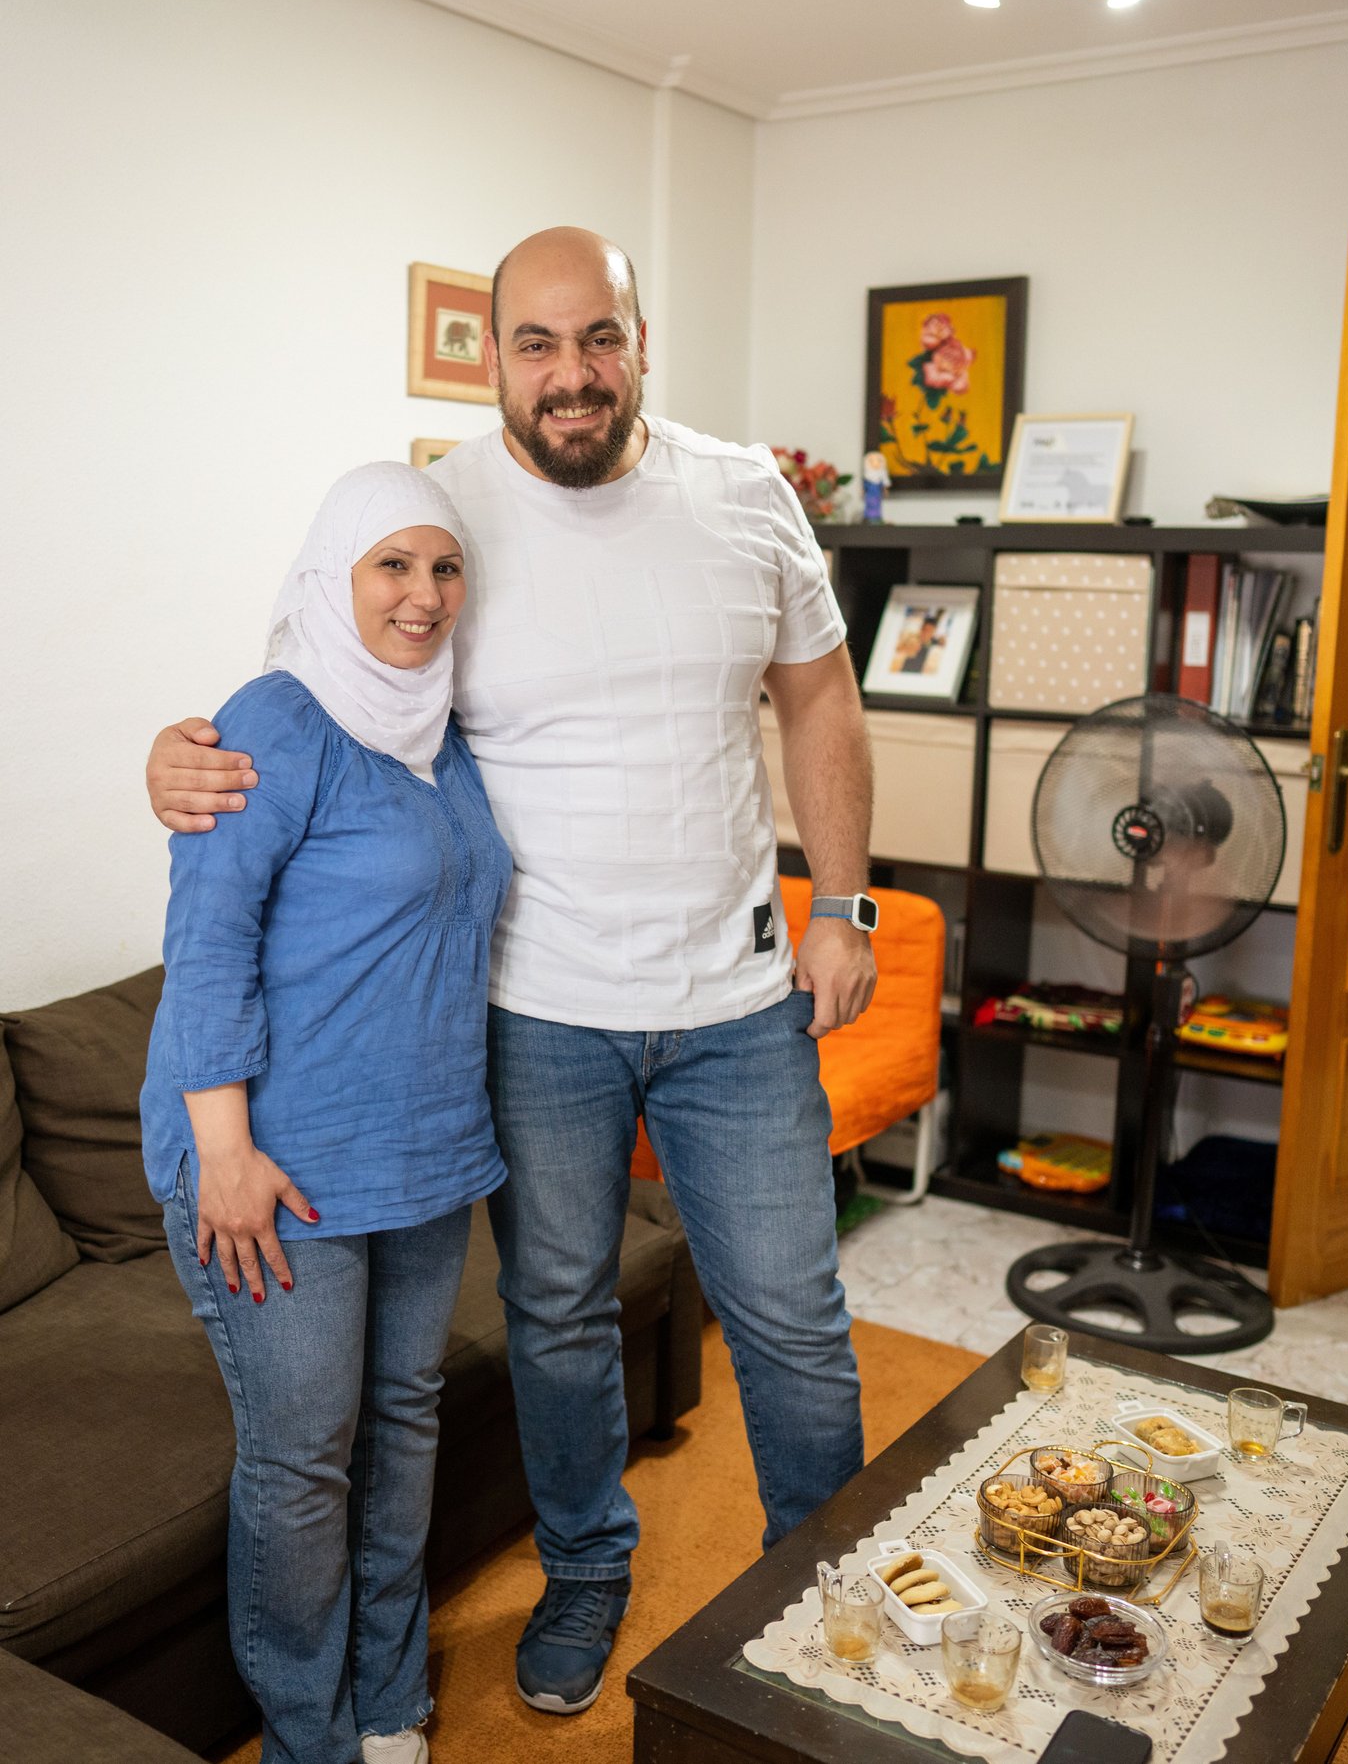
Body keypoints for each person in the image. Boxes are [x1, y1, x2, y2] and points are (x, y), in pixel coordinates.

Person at [145, 226, 876, 1719]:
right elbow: (311, 697)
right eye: (535, 344)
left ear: (640, 339)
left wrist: (846, 905)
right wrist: (179, 757)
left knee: (795, 1315)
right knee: (553, 1309)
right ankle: (588, 1566)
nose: (571, 373)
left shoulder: (748, 497)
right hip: (535, 1009)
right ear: (493, 356)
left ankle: (828, 1590)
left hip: (738, 1002)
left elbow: (822, 701)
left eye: (596, 337)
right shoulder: (443, 511)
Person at [141, 462, 512, 1764]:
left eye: (444, 566)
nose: (422, 596)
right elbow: (208, 941)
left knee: (402, 1426)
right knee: (306, 1461)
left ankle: (392, 1696)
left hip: (419, 1158)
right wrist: (225, 1151)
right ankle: (310, 1731)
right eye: (392, 566)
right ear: (332, 576)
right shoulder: (275, 718)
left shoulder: (446, 728)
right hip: (275, 1167)